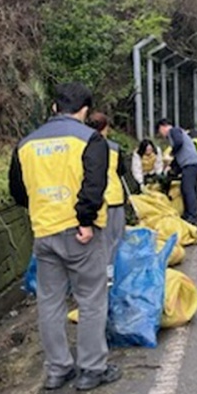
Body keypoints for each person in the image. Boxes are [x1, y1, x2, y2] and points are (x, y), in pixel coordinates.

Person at [8, 82, 120, 391]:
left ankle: (58, 369)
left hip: (44, 232)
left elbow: (17, 191)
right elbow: (95, 185)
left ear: (55, 108)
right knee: (91, 299)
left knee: (49, 302)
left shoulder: (26, 144)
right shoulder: (90, 139)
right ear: (84, 110)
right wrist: (85, 220)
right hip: (80, 233)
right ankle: (92, 369)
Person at [86, 113, 126, 279]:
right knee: (115, 240)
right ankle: (110, 275)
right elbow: (122, 171)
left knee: (96, 242)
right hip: (113, 199)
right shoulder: (114, 147)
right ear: (105, 128)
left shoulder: (82, 145)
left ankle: (96, 274)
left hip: (91, 200)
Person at [157, 119, 197, 225]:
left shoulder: (174, 131)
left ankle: (192, 216)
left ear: (163, 127)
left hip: (190, 164)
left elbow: (178, 143)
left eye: (160, 131)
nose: (162, 135)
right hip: (192, 163)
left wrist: (171, 154)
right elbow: (178, 157)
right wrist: (172, 168)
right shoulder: (178, 133)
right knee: (186, 188)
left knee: (188, 189)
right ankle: (188, 213)